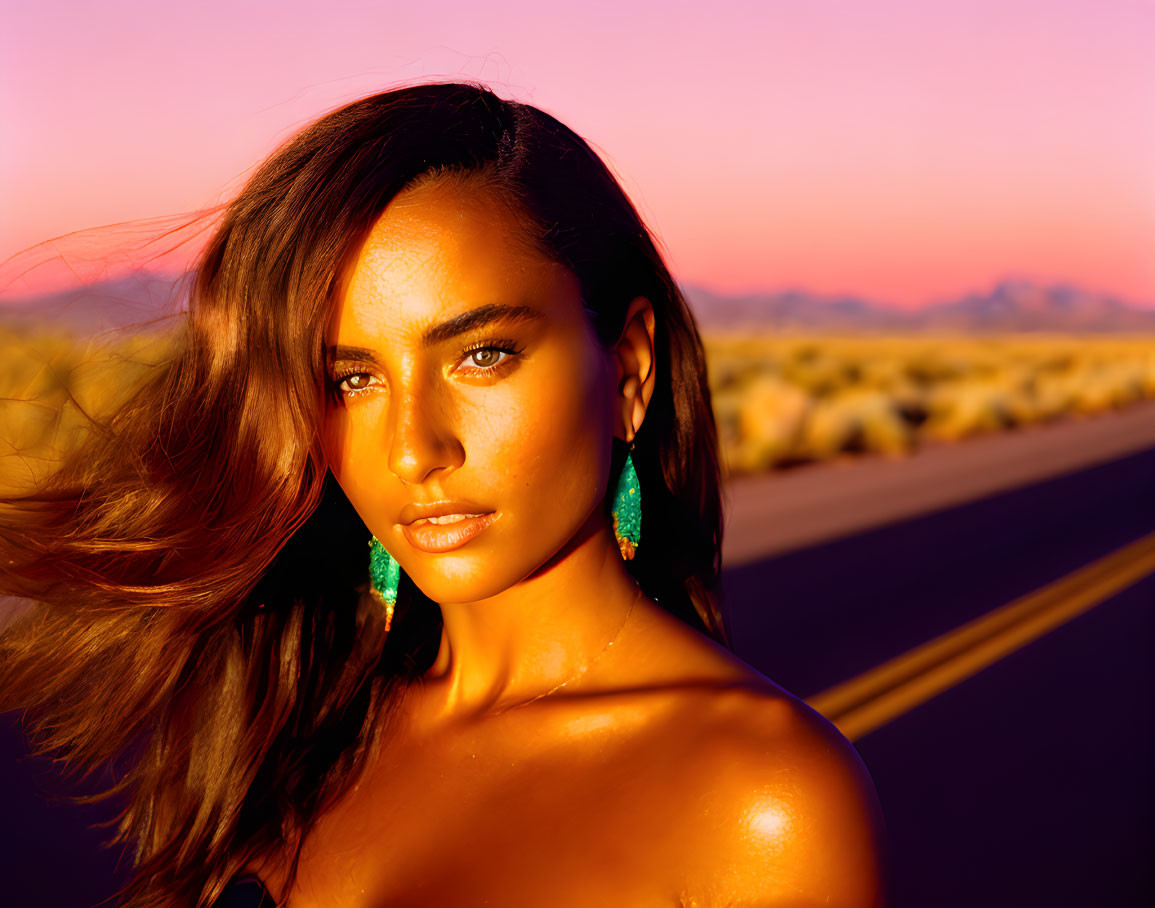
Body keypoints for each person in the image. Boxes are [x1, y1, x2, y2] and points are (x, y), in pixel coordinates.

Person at [0, 81, 888, 907]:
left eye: (482, 355)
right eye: (352, 379)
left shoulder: (763, 799)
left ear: (627, 370)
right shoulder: (296, 720)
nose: (414, 448)